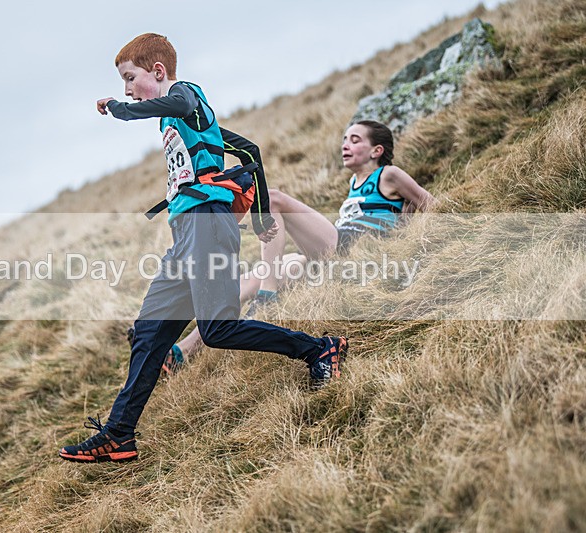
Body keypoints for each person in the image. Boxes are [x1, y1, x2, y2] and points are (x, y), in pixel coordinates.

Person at [58, 33, 348, 463]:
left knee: (218, 330)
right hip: (187, 233)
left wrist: (123, 111)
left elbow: (179, 104)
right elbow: (249, 150)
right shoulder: (185, 121)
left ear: (157, 72)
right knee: (150, 332)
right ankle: (119, 434)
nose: (126, 90)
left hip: (207, 225)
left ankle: (319, 349)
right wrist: (261, 212)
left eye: (130, 78)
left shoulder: (185, 95)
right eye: (123, 85)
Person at [161, 120, 435, 366]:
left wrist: (409, 234)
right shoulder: (355, 182)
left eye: (355, 140)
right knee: (261, 272)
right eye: (344, 139)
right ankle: (183, 351)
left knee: (274, 198)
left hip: (352, 247)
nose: (345, 145)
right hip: (337, 248)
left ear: (376, 151)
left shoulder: (388, 174)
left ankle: (268, 297)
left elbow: (430, 204)